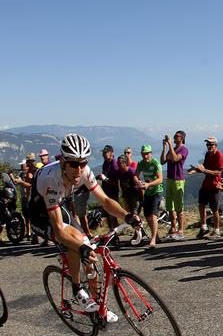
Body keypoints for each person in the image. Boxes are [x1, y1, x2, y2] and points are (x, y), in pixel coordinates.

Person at [28, 134, 140, 322]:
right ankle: (77, 288)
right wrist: (80, 247)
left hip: (57, 205)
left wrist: (127, 216)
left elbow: (105, 200)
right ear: (63, 161)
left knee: (90, 257)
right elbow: (58, 230)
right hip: (39, 214)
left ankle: (98, 309)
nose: (79, 169)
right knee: (77, 243)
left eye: (83, 163)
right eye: (74, 164)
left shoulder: (84, 171)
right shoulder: (51, 179)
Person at [193, 137, 223, 239]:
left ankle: (217, 230)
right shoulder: (207, 154)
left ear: (216, 145)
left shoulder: (219, 155)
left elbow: (218, 172)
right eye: (207, 145)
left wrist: (204, 170)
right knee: (201, 205)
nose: (208, 147)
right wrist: (196, 169)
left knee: (214, 209)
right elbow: (204, 166)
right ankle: (204, 227)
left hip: (215, 185)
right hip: (206, 184)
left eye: (211, 145)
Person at [160, 131, 189, 241]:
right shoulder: (171, 149)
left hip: (178, 180)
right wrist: (164, 147)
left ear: (182, 138)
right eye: (174, 136)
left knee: (178, 207)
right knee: (170, 207)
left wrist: (171, 146)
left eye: (177, 137)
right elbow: (163, 161)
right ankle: (173, 228)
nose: (175, 138)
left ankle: (180, 230)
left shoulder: (184, 149)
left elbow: (176, 158)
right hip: (170, 179)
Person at [135, 145, 164, 250]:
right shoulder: (141, 163)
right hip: (147, 192)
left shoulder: (155, 163)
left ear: (151, 153)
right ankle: (155, 235)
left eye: (147, 153)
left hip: (157, 191)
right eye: (143, 154)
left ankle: (153, 239)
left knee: (153, 215)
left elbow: (160, 179)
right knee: (147, 216)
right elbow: (135, 175)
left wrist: (148, 185)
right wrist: (138, 182)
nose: (145, 156)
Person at [97, 145, 120, 229]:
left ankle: (114, 234)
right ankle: (111, 232)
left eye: (105, 153)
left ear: (111, 153)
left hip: (112, 192)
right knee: (107, 213)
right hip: (106, 191)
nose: (103, 155)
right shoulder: (106, 163)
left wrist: (105, 179)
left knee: (112, 214)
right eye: (103, 153)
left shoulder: (114, 164)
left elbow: (115, 182)